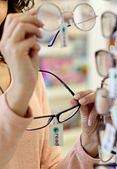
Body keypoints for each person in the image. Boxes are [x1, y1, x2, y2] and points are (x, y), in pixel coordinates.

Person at [0, 0, 107, 168]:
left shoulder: (28, 76)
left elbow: (49, 164)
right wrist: (19, 91)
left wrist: (88, 146)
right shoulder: (25, 81)